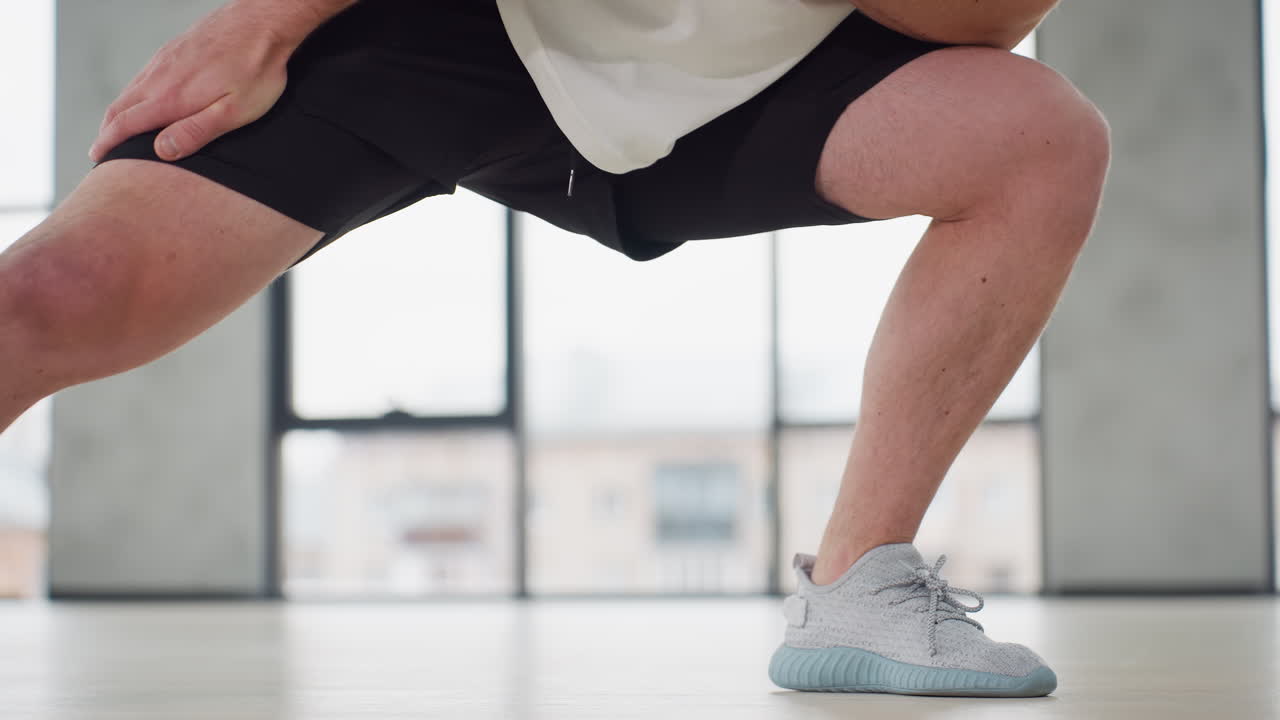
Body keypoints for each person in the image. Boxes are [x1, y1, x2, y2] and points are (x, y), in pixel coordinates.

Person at [0, 0, 1107, 697]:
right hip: (443, 26)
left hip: (728, 84)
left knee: (1036, 137)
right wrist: (267, 20)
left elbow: (972, 19)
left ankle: (860, 589)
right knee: (48, 299)